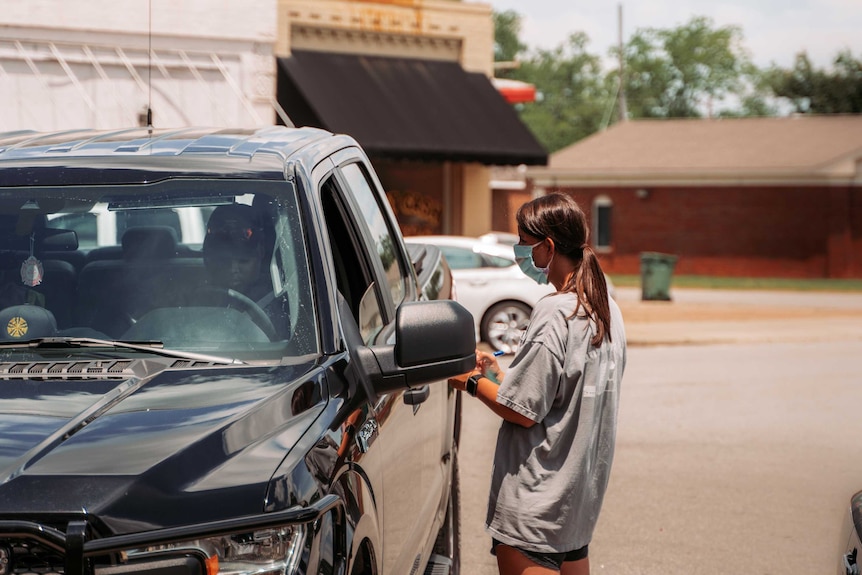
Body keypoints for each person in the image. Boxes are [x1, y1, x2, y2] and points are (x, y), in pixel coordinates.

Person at [449, 192, 627, 575]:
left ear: (547, 247)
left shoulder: (555, 310)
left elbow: (521, 411)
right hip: (574, 510)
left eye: (523, 243)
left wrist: (472, 381)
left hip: (535, 509)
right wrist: (500, 376)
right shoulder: (606, 308)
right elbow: (561, 393)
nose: (518, 251)